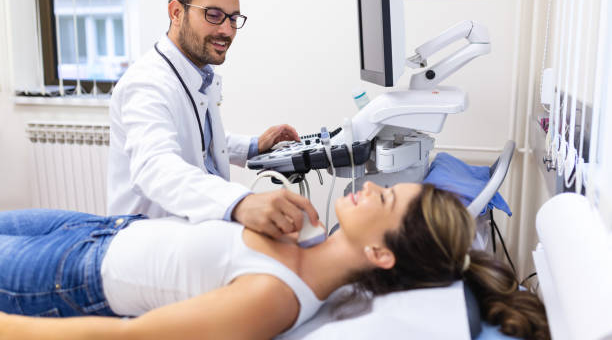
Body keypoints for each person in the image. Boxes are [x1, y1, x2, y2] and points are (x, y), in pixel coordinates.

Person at [0, 182, 550, 340]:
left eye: (383, 199)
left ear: (380, 253)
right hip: (96, 228)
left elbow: (131, 337)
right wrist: (243, 206)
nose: (372, 187)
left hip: (65, 278)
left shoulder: (274, 298)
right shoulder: (308, 233)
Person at [107, 0, 319, 237]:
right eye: (214, 15)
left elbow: (196, 141)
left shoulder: (198, 71)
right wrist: (240, 203)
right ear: (176, 12)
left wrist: (255, 146)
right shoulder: (147, 84)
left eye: (233, 18)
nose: (227, 30)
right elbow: (155, 167)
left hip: (194, 231)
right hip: (152, 242)